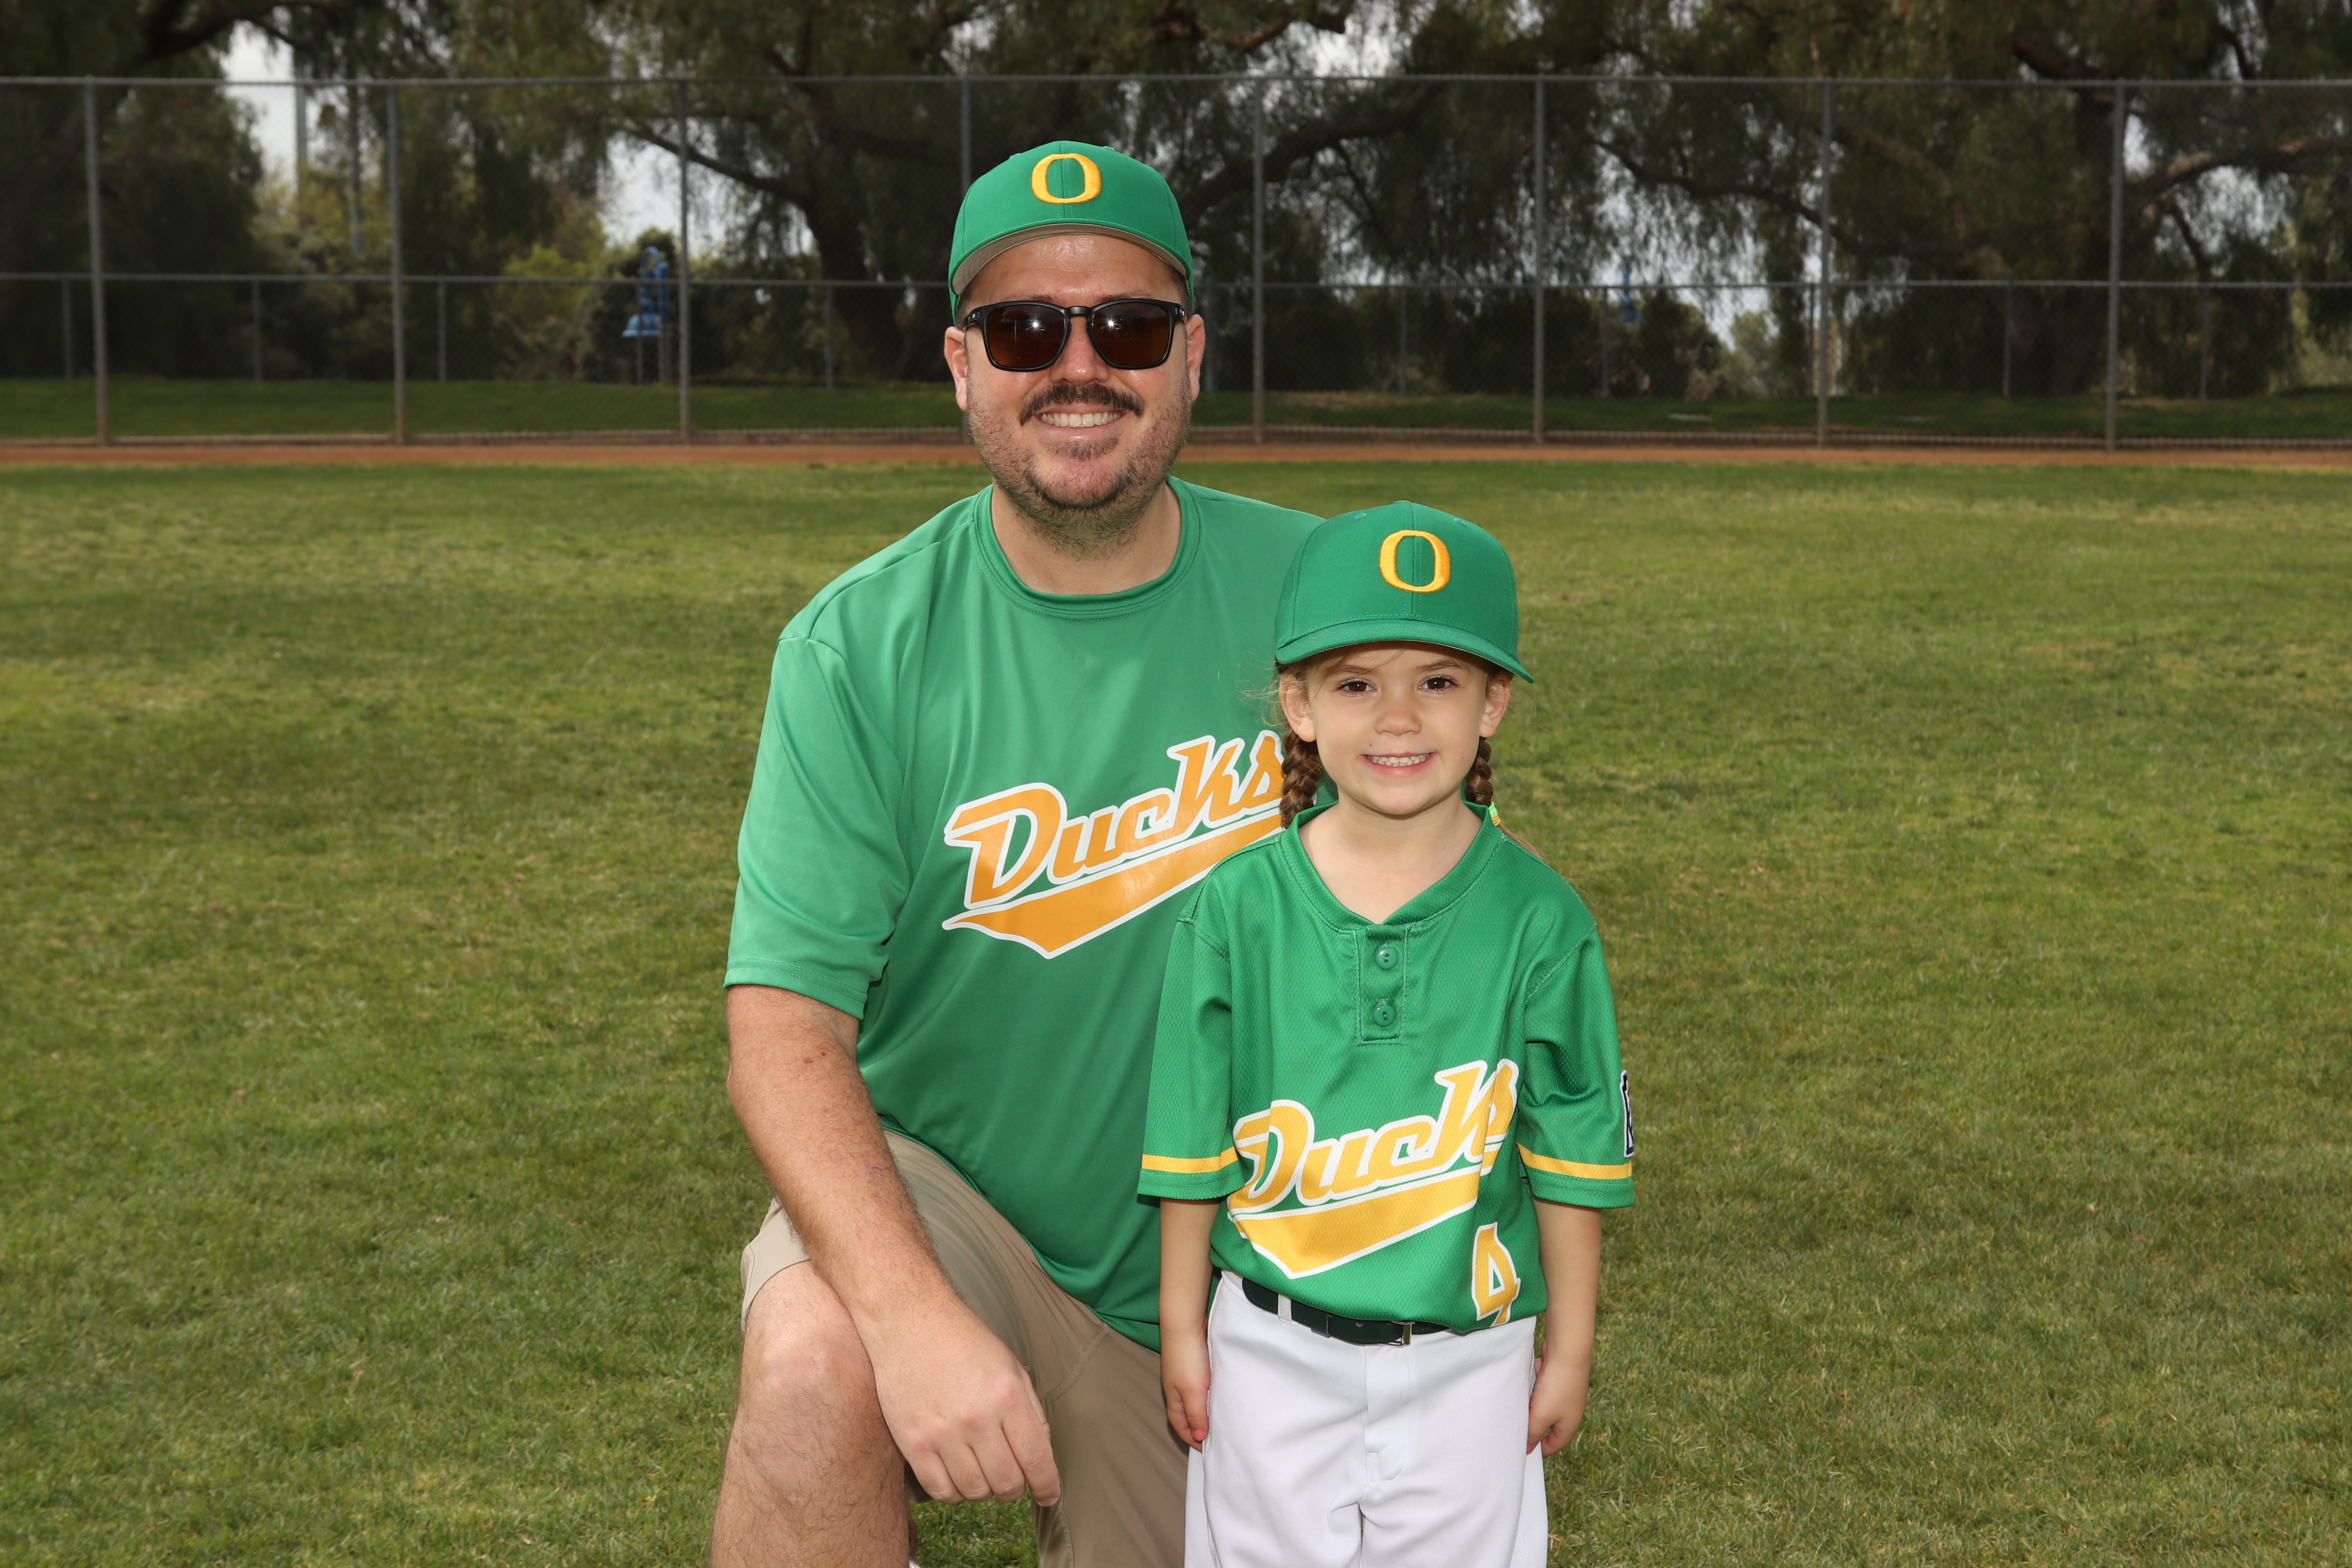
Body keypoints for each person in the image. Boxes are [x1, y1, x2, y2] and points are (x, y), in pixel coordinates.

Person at [712, 141, 1321, 1568]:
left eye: (1128, 327)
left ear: (1191, 356)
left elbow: (1463, 942)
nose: (1078, 366)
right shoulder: (863, 644)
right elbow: (783, 1027)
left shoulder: (1322, 601)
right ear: (961, 364)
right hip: (962, 1208)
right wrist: (911, 1315)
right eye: (1027, 328)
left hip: (1246, 1278)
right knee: (813, 1357)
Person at [1140, 502, 1637, 1567]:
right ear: (1299, 703)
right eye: (1358, 683)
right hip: (1269, 1347)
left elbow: (1572, 1152)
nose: (1399, 718)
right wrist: (1183, 1324)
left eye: (1440, 682)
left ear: (1493, 703)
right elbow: (1189, 1141)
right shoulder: (1236, 908)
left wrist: (1572, 1344)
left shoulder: (1541, 919)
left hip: (1473, 1358)